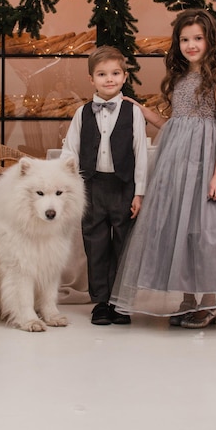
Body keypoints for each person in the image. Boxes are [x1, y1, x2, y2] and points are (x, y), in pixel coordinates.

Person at [110, 9, 216, 328]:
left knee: (206, 227)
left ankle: (210, 301)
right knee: (179, 226)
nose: (190, 44)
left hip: (207, 160)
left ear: (210, 40)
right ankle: (187, 299)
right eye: (184, 39)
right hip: (177, 162)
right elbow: (175, 123)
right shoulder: (179, 78)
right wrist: (143, 111)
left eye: (197, 38)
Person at [61, 45, 148, 325]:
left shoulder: (133, 112)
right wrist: (67, 189)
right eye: (102, 74)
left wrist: (139, 192)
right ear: (91, 79)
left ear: (124, 76)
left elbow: (141, 153)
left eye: (114, 73)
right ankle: (101, 301)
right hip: (92, 188)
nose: (109, 79)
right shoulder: (81, 113)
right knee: (95, 244)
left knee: (124, 245)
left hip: (123, 187)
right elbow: (69, 152)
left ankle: (121, 302)